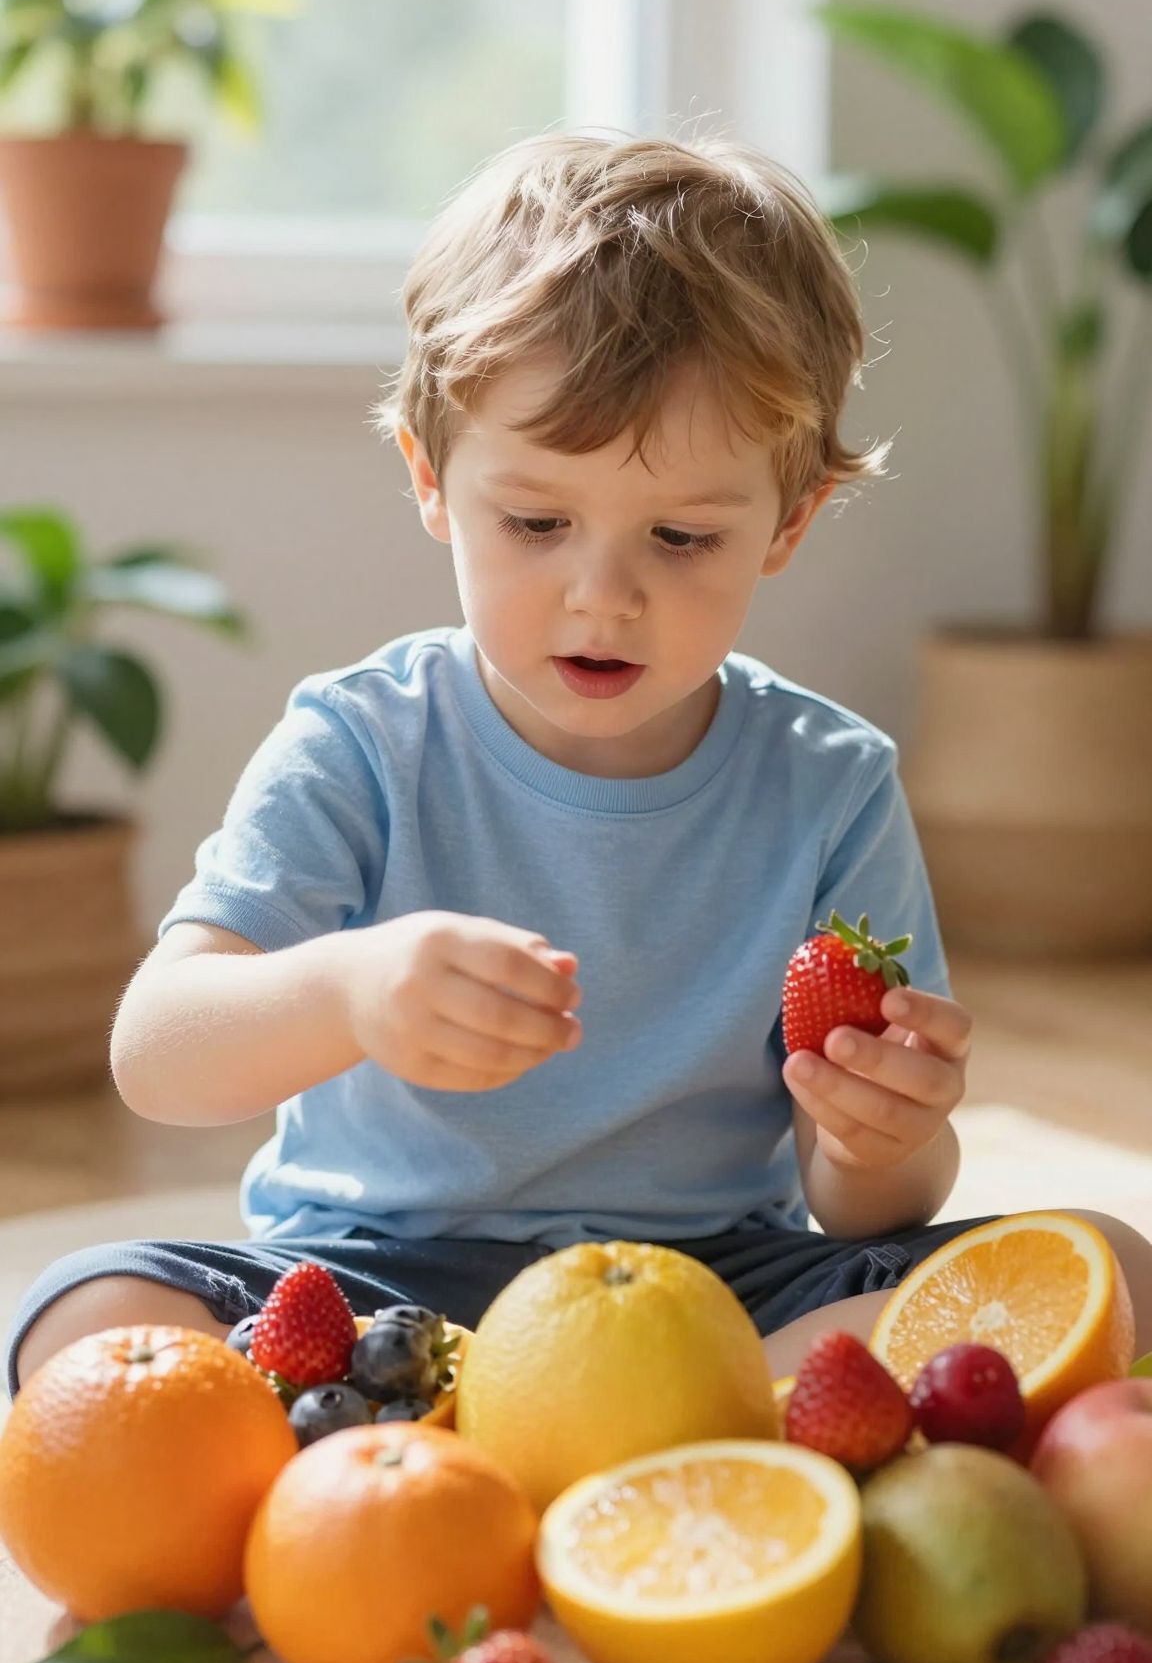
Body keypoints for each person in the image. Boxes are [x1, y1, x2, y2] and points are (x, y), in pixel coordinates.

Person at [7, 132, 1150, 1401]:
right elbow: (156, 1054)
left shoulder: (832, 781)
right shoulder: (361, 741)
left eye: (682, 536)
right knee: (92, 1314)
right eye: (538, 522)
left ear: (790, 520)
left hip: (712, 1288)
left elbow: (867, 1207)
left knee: (1109, 1265)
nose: (604, 596)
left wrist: (884, 1129)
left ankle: (541, 1430)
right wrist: (349, 990)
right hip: (380, 1278)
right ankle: (652, 1428)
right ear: (432, 481)